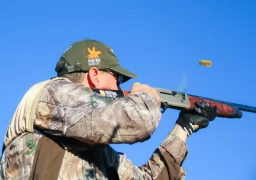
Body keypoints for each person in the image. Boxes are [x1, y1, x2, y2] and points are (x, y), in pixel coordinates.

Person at [0, 39, 217, 180]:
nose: (120, 88)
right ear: (94, 75)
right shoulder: (53, 93)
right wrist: (145, 97)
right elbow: (135, 121)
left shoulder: (93, 145)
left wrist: (183, 129)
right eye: (117, 78)